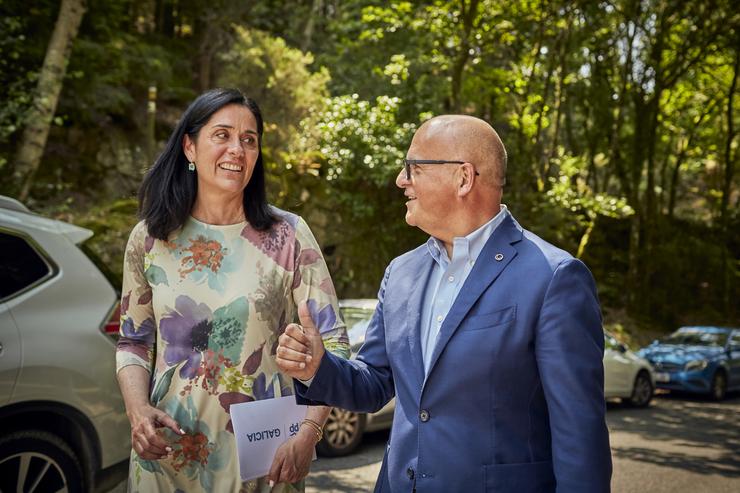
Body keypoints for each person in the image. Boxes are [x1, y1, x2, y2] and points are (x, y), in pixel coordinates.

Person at [277, 115, 612, 492]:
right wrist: (318, 367)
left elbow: (580, 438)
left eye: (413, 168)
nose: (401, 181)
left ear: (464, 178)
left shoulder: (555, 278)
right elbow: (375, 383)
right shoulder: (400, 272)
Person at [115, 88, 349, 493]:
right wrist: (137, 411)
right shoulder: (150, 239)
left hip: (264, 460)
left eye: (249, 139)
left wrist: (309, 432)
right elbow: (133, 342)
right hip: (165, 459)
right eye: (221, 135)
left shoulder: (288, 235)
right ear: (189, 147)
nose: (237, 149)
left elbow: (335, 342)